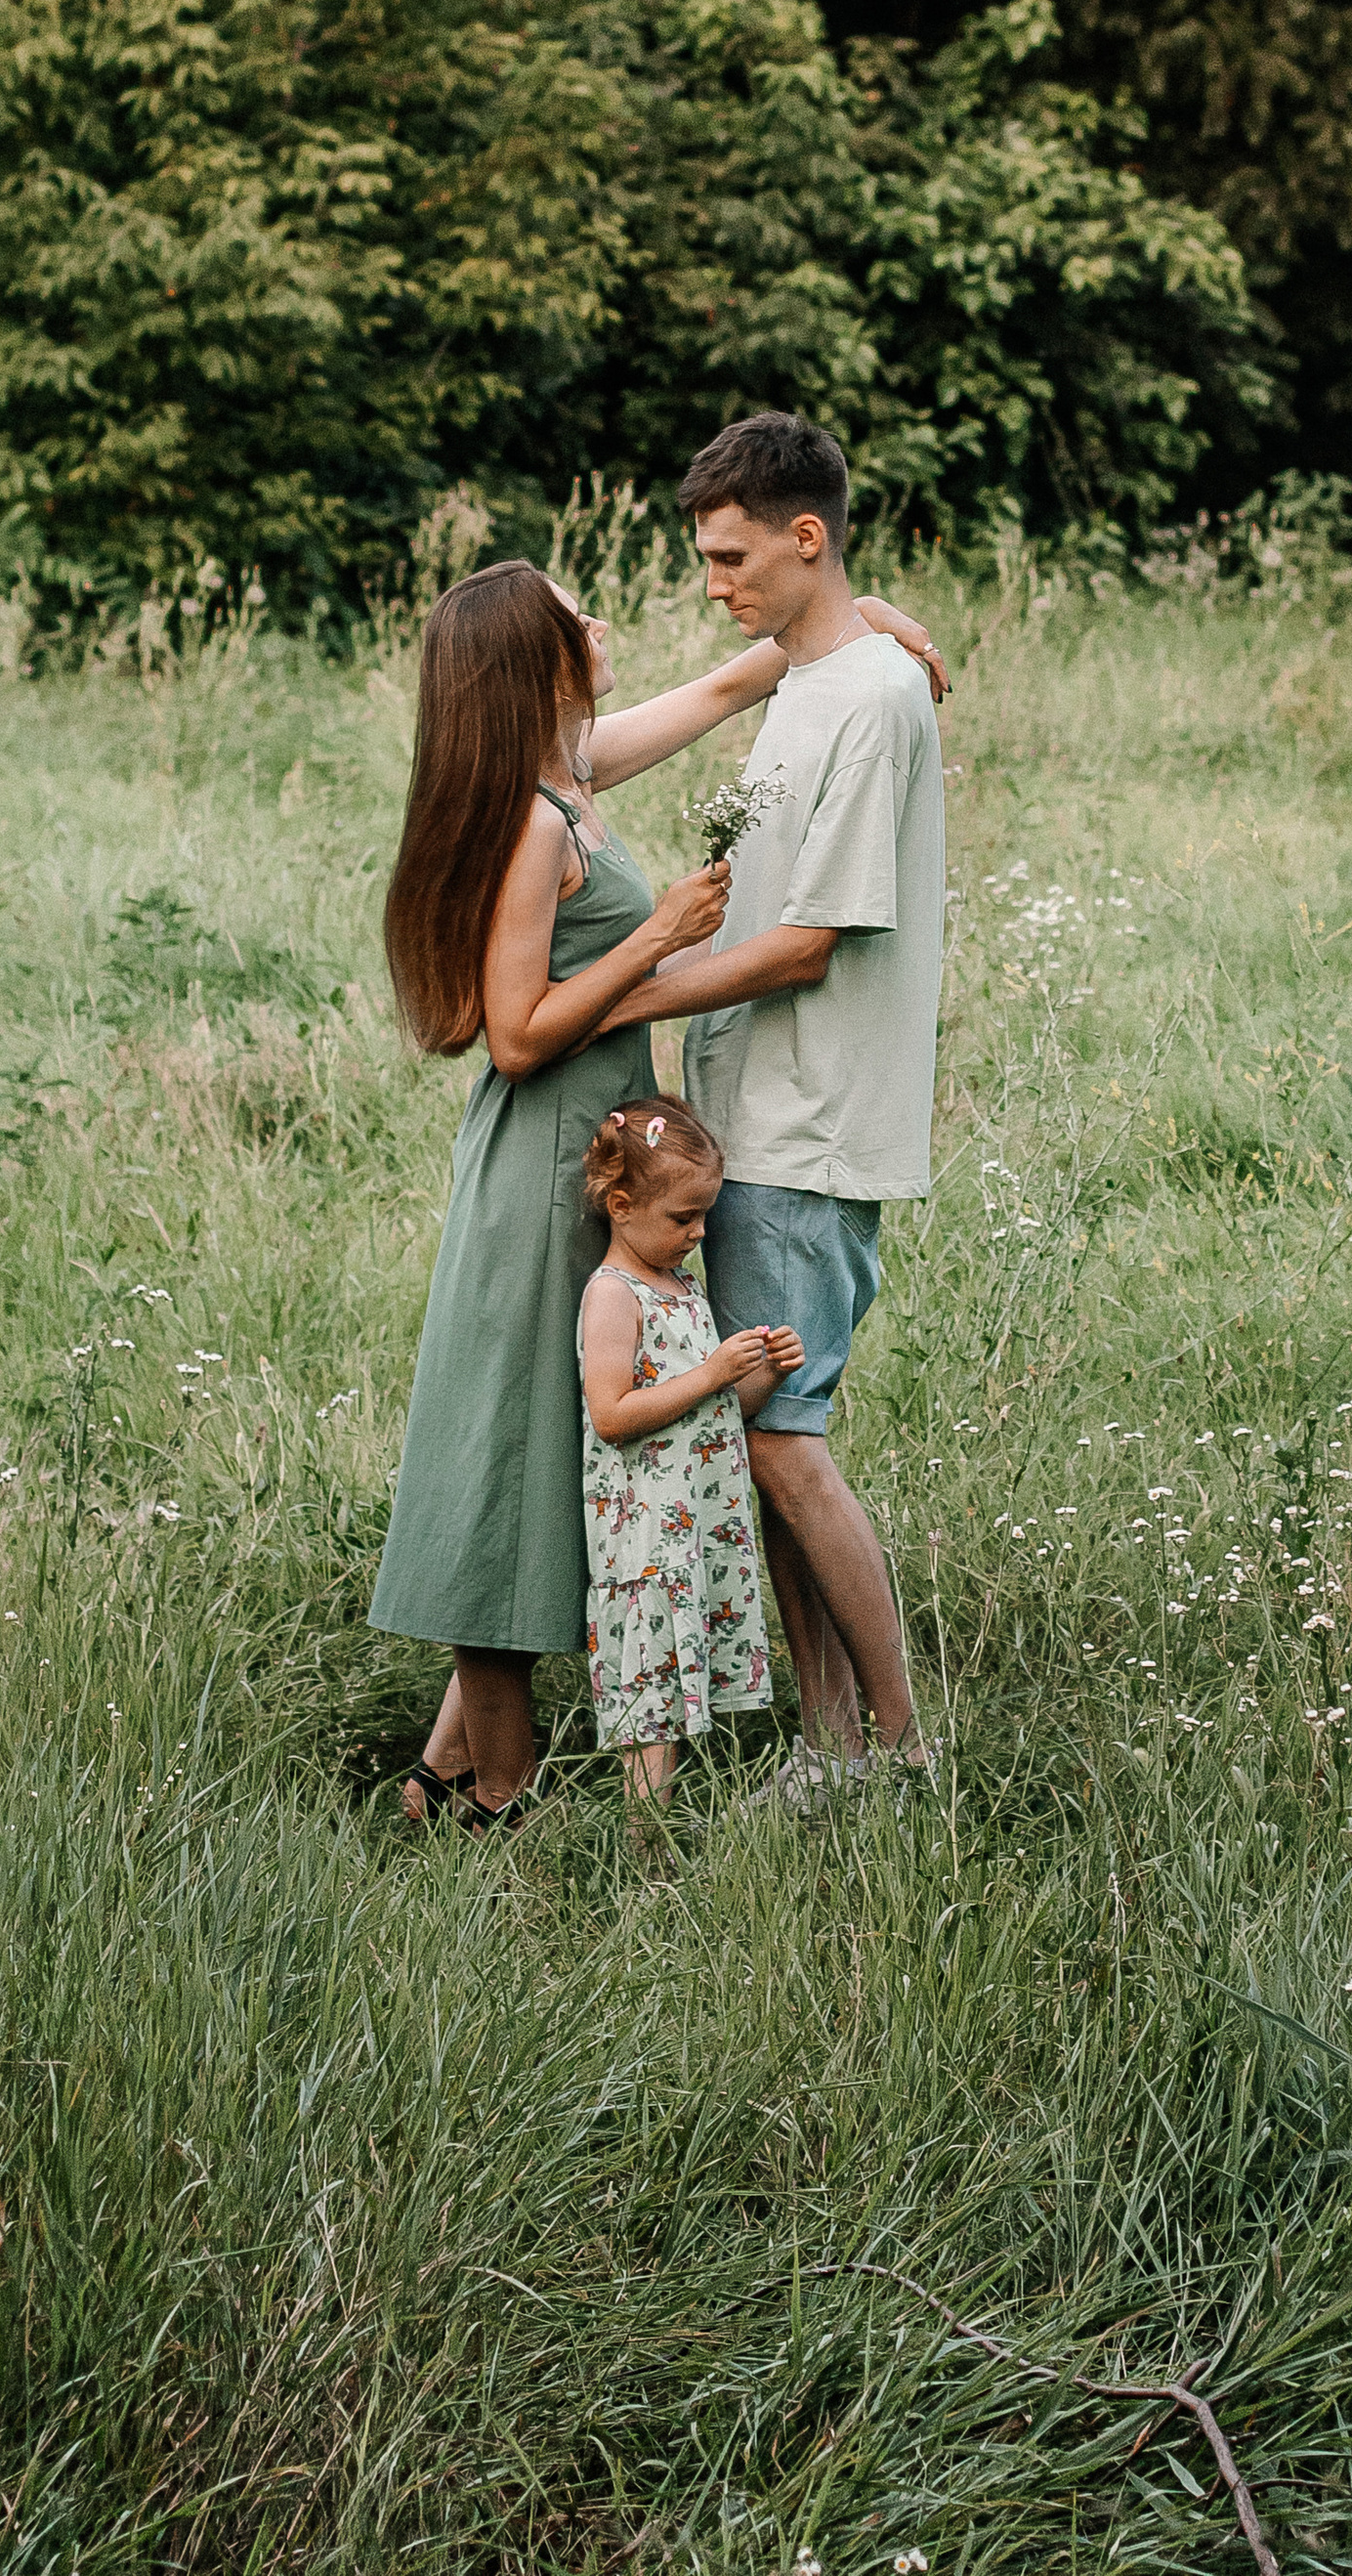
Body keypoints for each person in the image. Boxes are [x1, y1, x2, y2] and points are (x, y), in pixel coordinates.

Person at [369, 552, 944, 1832]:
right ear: (539, 661)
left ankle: (438, 1774)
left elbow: (735, 678)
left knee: (541, 1447)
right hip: (542, 1163)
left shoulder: (572, 771)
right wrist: (662, 932)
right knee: (519, 1457)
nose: (602, 615)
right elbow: (516, 1036)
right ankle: (486, 1798)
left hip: (595, 1163)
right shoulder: (531, 822)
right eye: (578, 613)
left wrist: (868, 629)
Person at [601, 413, 945, 1798]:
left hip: (812, 1128)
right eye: (703, 557)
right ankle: (829, 1745)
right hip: (754, 1122)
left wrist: (627, 993)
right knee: (761, 1437)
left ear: (810, 537)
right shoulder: (808, 681)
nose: (713, 580)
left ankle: (907, 1750)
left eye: (733, 555)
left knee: (787, 1443)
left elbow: (814, 939)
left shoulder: (869, 699)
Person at [575, 1095, 805, 1805]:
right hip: (644, 1536)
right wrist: (710, 1372)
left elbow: (718, 1415)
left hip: (695, 1527)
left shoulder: (683, 1288)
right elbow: (611, 1415)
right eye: (684, 1218)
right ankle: (649, 1858)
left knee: (677, 1684)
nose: (700, 1233)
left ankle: (671, 1832)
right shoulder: (615, 1296)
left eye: (704, 1215)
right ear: (620, 1204)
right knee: (651, 1698)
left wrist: (762, 1371)